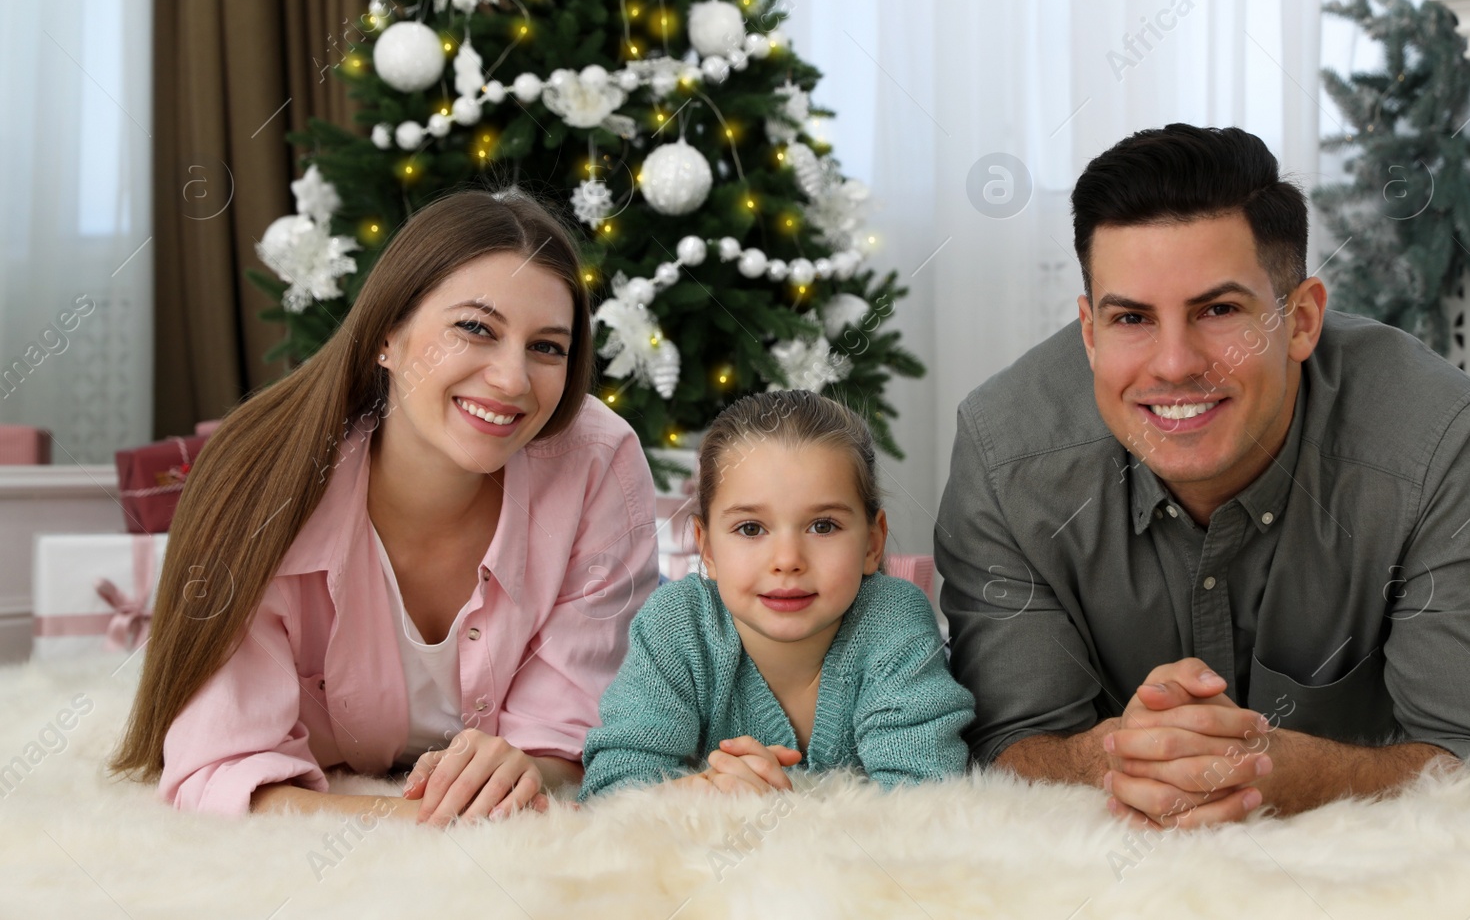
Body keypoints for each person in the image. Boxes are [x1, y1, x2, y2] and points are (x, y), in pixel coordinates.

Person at [935, 124, 1470, 828]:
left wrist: (1278, 772)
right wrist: (1113, 755)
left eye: (1219, 310)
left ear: (1300, 319)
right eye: (1133, 317)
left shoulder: (1438, 445)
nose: (1174, 363)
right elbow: (1005, 748)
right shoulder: (1004, 454)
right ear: (1089, 332)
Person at [109, 189, 659, 823]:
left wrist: (524, 770)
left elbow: (576, 733)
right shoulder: (263, 485)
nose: (512, 380)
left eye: (547, 348)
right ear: (386, 337)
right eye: (475, 328)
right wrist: (423, 823)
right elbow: (221, 771)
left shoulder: (598, 460)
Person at [580, 390, 973, 799]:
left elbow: (927, 794)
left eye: (823, 526)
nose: (787, 561)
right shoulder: (678, 626)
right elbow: (613, 786)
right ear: (708, 549)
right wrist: (698, 793)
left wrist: (800, 815)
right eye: (751, 528)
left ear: (873, 543)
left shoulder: (893, 621)